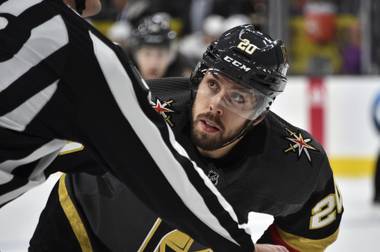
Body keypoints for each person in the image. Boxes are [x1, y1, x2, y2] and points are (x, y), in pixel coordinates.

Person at [29, 24, 342, 251]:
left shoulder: (294, 162)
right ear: (198, 79)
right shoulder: (138, 105)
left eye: (239, 98)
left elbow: (313, 232)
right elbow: (34, 146)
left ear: (259, 113)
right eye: (213, 85)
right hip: (78, 231)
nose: (216, 105)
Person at [0, 0, 269, 251]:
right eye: (148, 52)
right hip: (87, 212)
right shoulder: (87, 56)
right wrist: (237, 244)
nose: (154, 60)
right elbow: (161, 173)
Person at [127, 13, 193, 79]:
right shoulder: (124, 76)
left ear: (171, 57)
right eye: (147, 54)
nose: (153, 63)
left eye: (160, 55)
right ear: (135, 55)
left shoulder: (186, 80)